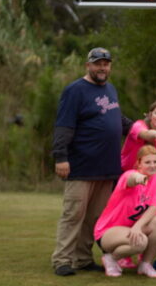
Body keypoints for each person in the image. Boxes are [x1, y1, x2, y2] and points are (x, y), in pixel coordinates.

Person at [51, 47, 131, 276]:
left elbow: (118, 119)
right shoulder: (75, 90)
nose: (102, 68)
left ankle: (83, 259)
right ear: (88, 65)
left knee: (93, 218)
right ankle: (62, 260)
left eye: (106, 63)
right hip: (81, 166)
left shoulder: (110, 89)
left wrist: (141, 128)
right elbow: (64, 125)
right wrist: (60, 157)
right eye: (97, 64)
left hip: (106, 167)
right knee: (73, 215)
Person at [93, 145, 156, 278]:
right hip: (107, 232)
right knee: (140, 241)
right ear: (139, 163)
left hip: (130, 228)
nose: (152, 165)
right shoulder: (128, 175)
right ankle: (110, 258)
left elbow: (154, 207)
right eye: (147, 162)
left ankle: (145, 265)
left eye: (155, 162)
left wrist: (138, 226)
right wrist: (139, 178)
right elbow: (131, 179)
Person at [119, 99, 156, 195]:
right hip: (124, 174)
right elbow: (144, 134)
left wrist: (152, 190)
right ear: (150, 115)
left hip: (147, 180)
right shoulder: (138, 125)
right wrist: (155, 134)